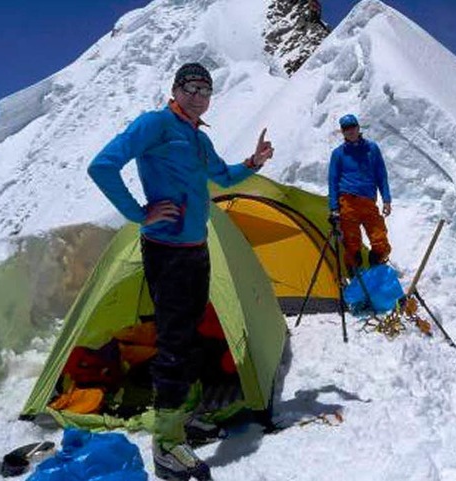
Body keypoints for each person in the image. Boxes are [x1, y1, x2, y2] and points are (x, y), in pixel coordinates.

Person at [88, 62, 274, 481]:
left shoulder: (196, 136)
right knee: (174, 345)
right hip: (166, 252)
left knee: (188, 340)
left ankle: (182, 420)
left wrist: (255, 162)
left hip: (196, 250)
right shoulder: (155, 124)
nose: (198, 96)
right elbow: (102, 165)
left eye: (206, 90)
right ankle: (167, 445)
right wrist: (139, 214)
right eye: (191, 87)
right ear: (175, 90)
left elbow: (223, 176)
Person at [328, 114, 392, 275]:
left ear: (358, 127)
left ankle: (375, 273)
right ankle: (357, 279)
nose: (350, 131)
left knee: (380, 241)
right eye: (346, 129)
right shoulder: (338, 154)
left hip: (368, 202)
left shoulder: (372, 149)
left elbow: (381, 175)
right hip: (347, 202)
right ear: (342, 132)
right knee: (351, 244)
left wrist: (386, 199)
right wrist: (334, 208)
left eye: (352, 127)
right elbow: (333, 181)